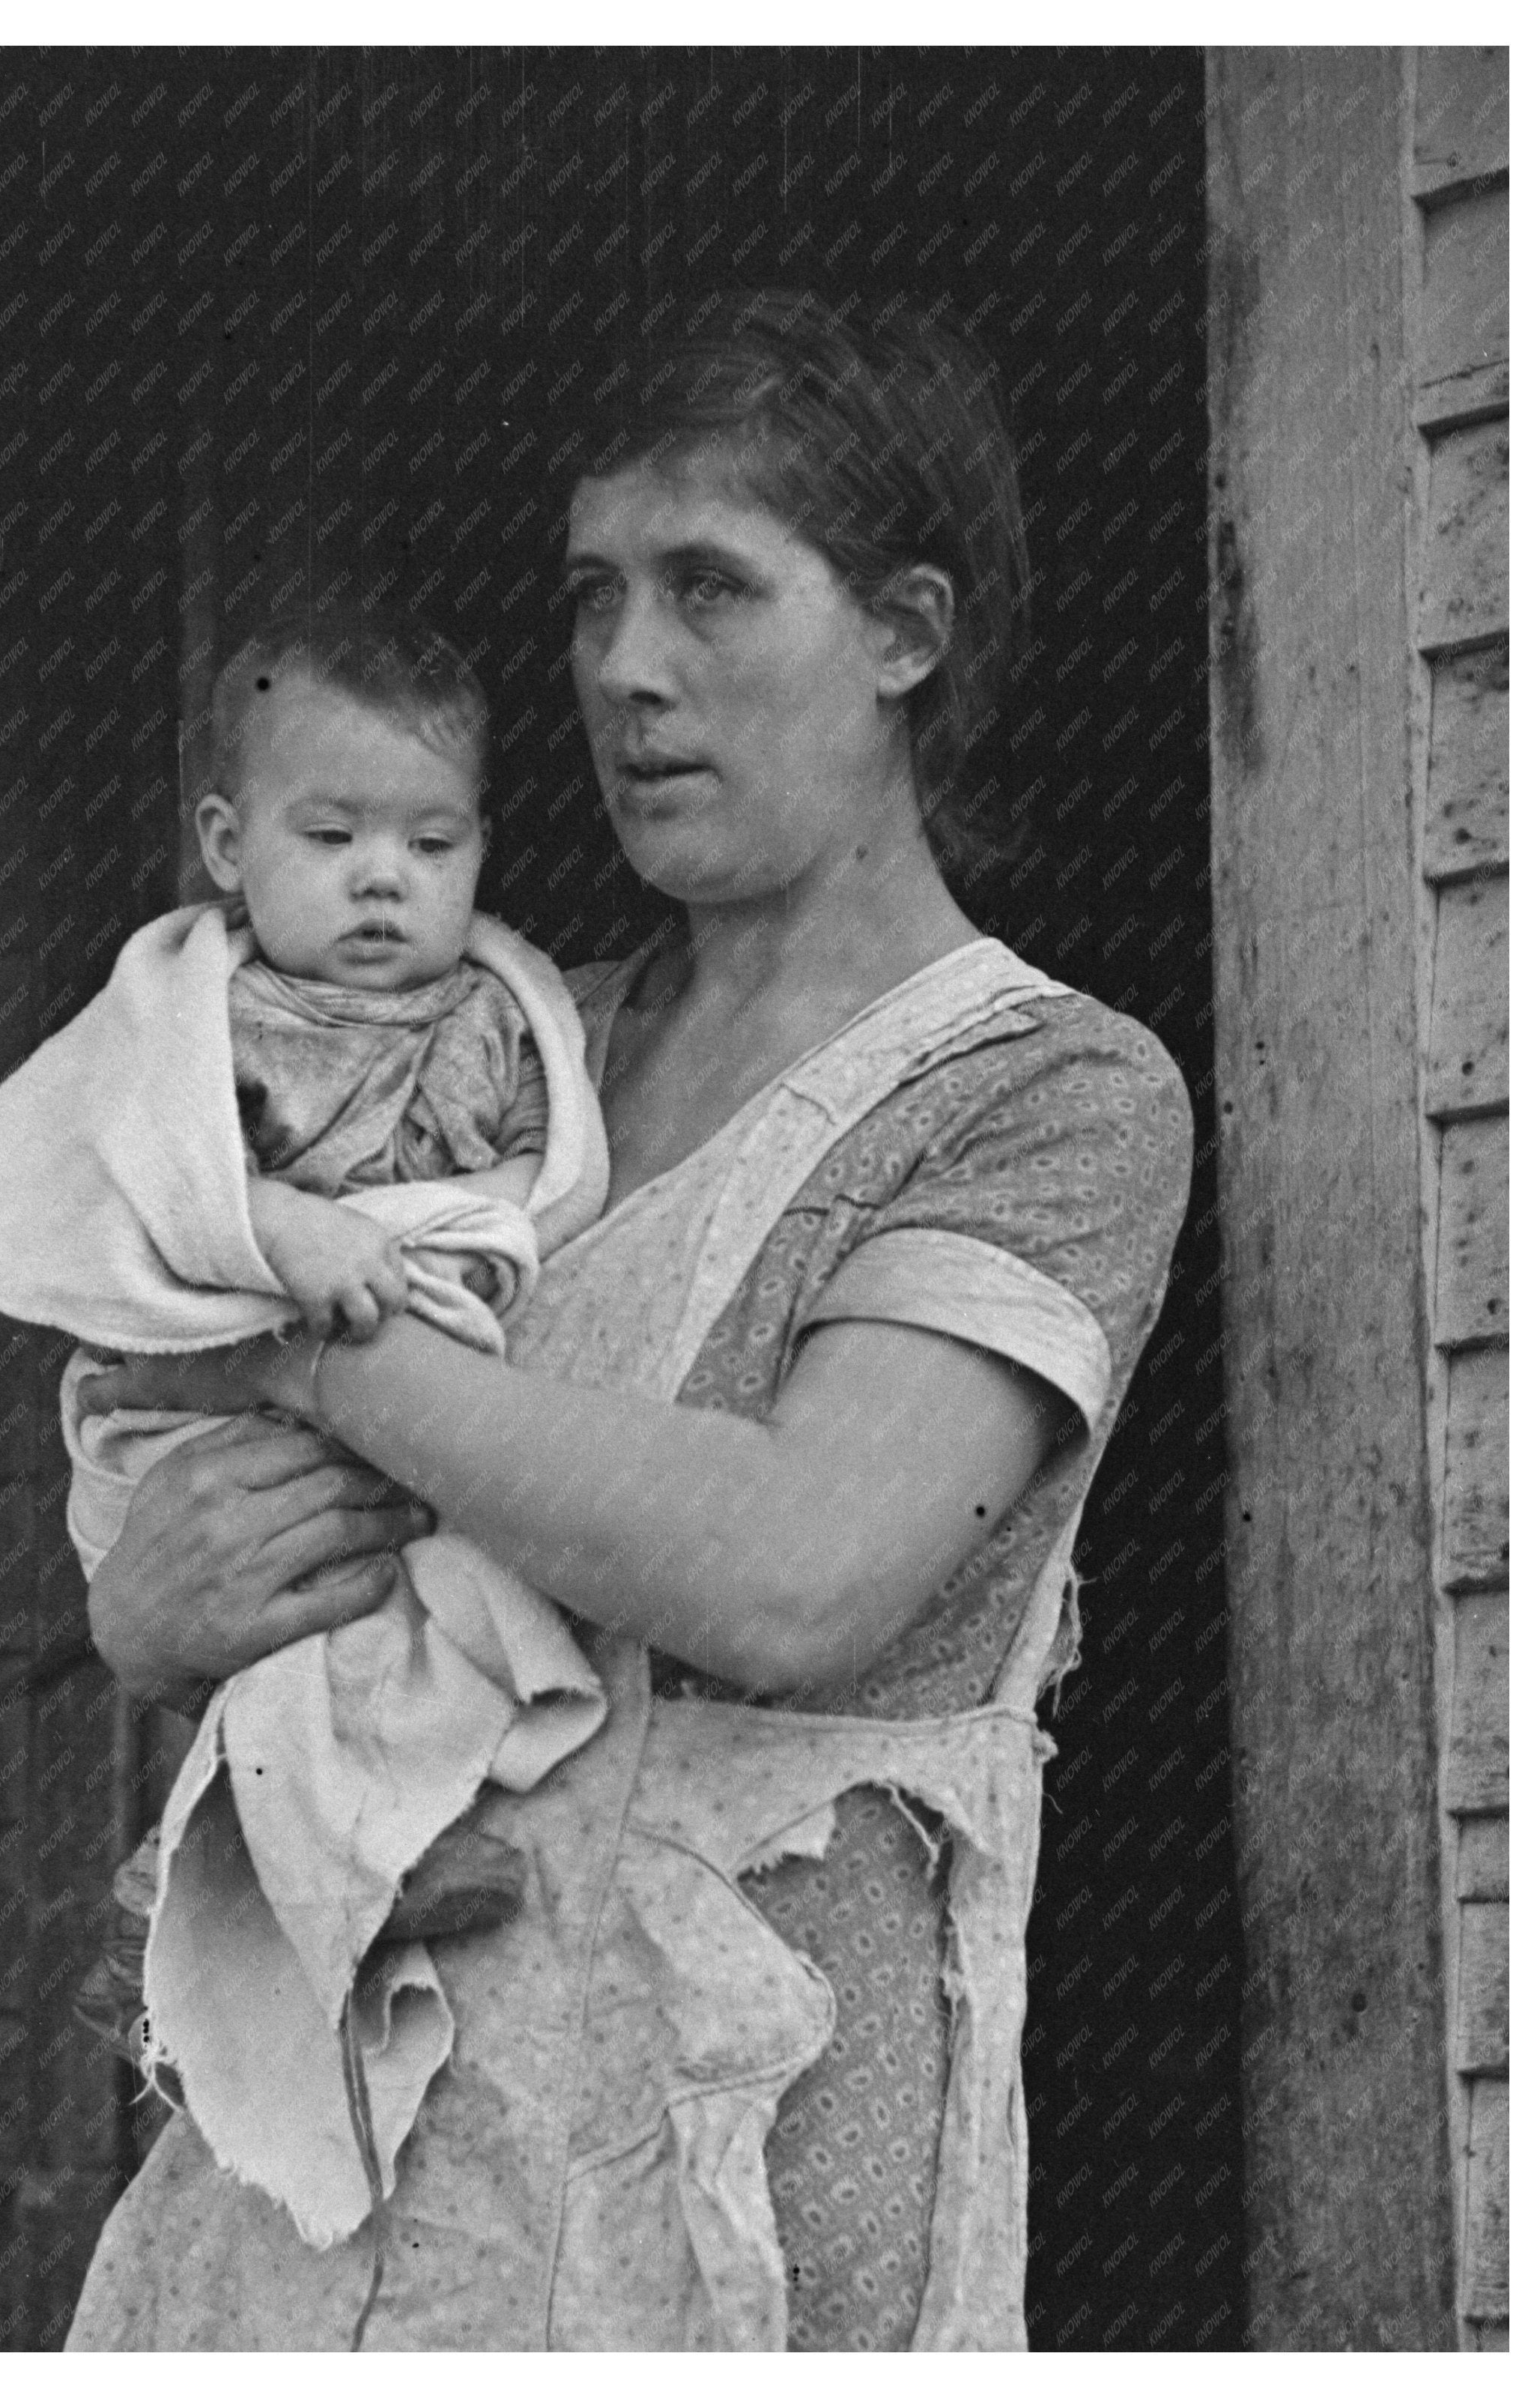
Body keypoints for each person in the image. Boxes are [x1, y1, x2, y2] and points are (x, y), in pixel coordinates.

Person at [63, 288, 1193, 2352]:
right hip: (349, 2140)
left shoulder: (1048, 1092)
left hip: (731, 2164)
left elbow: (789, 1569)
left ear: (907, 631)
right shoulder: (502, 1047)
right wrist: (147, 1594)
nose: (621, 669)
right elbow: (150, 1364)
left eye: (707, 591)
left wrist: (308, 1334)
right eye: (593, 596)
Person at [0, 608, 615, 2259]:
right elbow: (120, 1172)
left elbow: (540, 1194)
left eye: (432, 838)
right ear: (227, 846)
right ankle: (177, 1915)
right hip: (196, 1396)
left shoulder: (495, 1011)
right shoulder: (208, 1015)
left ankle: (353, 1879)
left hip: (404, 1379)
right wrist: (275, 1234)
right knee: (281, 1620)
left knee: (408, 1624)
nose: (382, 879)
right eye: (330, 839)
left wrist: (473, 1248)